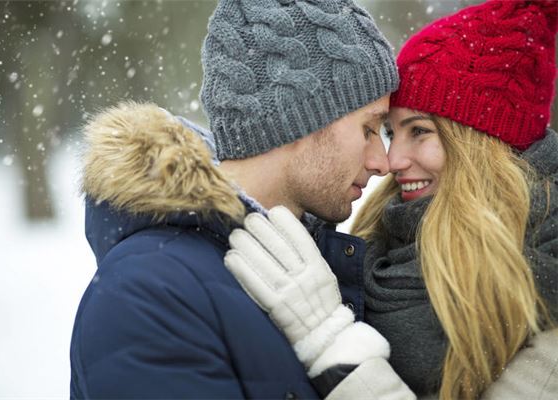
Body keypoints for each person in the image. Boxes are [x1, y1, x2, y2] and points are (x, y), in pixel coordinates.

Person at [69, 0, 414, 398]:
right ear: (297, 116)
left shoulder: (308, 267)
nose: (383, 162)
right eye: (370, 129)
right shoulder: (148, 295)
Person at [225, 1, 558, 399]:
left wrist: (329, 340)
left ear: (482, 146)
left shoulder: (544, 284)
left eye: (419, 131)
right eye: (387, 131)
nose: (392, 161)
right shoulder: (373, 244)